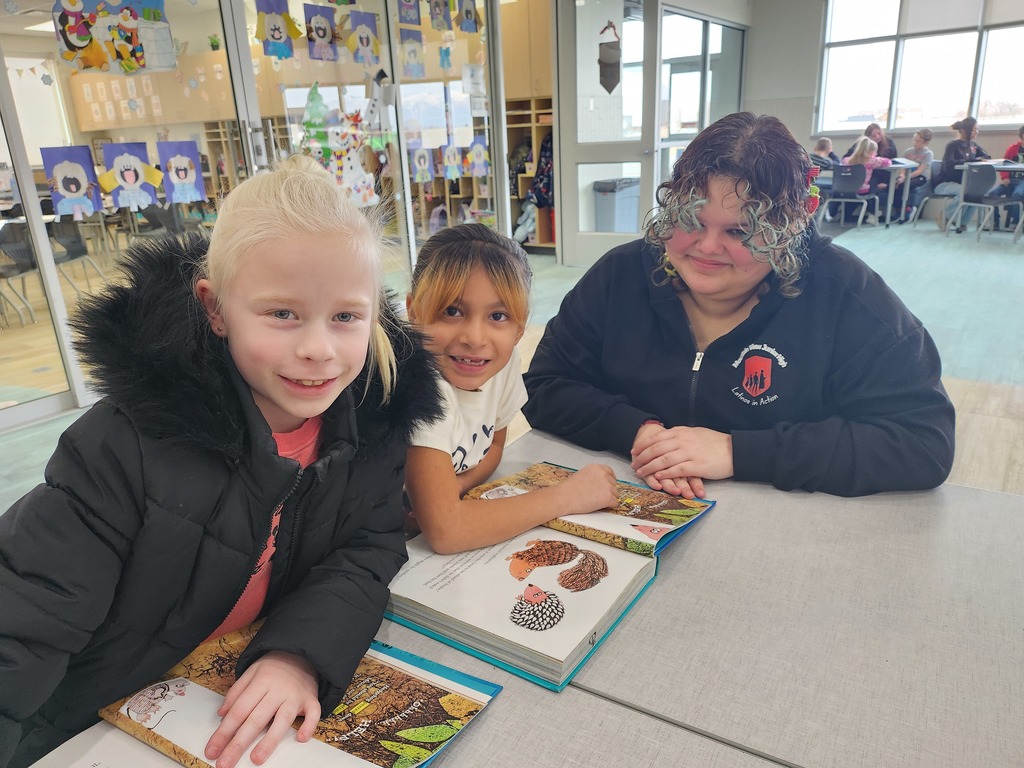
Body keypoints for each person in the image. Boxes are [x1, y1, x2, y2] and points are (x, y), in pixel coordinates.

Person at [0, 156, 443, 768]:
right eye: (282, 313)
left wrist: (297, 654)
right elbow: (25, 619)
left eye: (345, 317)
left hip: (208, 702)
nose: (318, 349)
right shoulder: (122, 447)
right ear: (214, 309)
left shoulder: (371, 420)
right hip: (74, 721)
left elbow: (366, 548)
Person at [523, 112, 955, 499]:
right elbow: (544, 385)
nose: (707, 247)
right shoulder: (620, 275)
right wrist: (641, 433)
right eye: (690, 220)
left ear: (788, 228)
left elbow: (924, 442)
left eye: (740, 231)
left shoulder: (846, 294)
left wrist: (736, 452)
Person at [403, 224, 619, 554]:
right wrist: (567, 496)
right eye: (452, 311)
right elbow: (447, 532)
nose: (475, 338)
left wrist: (459, 485)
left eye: (498, 315)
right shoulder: (420, 386)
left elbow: (495, 446)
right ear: (413, 311)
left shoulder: (498, 366)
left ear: (520, 328)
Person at [931, 117, 991, 233]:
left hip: (963, 183)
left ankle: (961, 222)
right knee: (963, 191)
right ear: (964, 131)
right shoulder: (953, 145)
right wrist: (971, 161)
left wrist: (979, 159)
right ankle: (946, 217)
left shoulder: (974, 146)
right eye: (974, 130)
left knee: (976, 193)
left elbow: (986, 157)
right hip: (945, 184)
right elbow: (949, 165)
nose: (976, 133)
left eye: (977, 130)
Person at [985, 124, 1024, 230]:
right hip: (1010, 180)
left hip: (1022, 182)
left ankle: (1016, 223)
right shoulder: (1013, 148)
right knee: (992, 193)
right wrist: (1005, 177)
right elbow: (1003, 163)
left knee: (1018, 194)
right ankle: (994, 222)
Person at [841, 135, 892, 215]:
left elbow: (843, 161)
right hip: (862, 190)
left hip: (847, 189)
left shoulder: (847, 160)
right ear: (871, 152)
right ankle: (873, 213)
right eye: (875, 151)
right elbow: (888, 162)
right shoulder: (872, 161)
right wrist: (876, 157)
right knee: (875, 187)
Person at [894, 128, 934, 223]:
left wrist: (907, 178)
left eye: (918, 142)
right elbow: (903, 167)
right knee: (896, 184)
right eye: (914, 140)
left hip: (920, 177)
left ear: (926, 143)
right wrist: (902, 176)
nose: (915, 143)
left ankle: (909, 209)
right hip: (907, 175)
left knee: (907, 185)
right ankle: (898, 210)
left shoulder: (928, 154)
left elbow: (920, 170)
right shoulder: (908, 152)